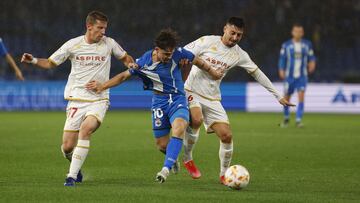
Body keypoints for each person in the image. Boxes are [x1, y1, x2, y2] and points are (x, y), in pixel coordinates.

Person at [86, 28, 224, 183]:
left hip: (178, 98)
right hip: (159, 102)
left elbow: (197, 60)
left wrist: (212, 71)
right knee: (162, 145)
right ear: (157, 50)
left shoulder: (179, 53)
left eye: (170, 54)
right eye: (165, 54)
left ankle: (165, 170)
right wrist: (102, 86)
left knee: (179, 128)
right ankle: (172, 159)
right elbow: (123, 76)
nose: (168, 57)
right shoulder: (144, 62)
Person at [21, 11, 135, 186]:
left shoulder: (110, 43)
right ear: (89, 27)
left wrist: (130, 64)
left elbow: (126, 58)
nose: (103, 32)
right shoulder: (73, 45)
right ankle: (76, 165)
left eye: (105, 28)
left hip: (99, 99)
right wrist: (34, 60)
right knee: (67, 147)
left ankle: (71, 177)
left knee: (86, 129)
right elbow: (51, 63)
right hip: (76, 100)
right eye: (100, 28)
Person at [181, 17, 294, 184]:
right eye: (232, 33)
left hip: (212, 97)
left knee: (226, 136)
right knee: (196, 119)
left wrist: (277, 95)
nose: (235, 37)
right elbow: (182, 52)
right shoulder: (207, 41)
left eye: (239, 35)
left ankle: (224, 175)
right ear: (225, 28)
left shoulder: (239, 54)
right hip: (191, 90)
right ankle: (188, 158)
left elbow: (257, 73)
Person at [279, 23, 316, 128]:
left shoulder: (307, 44)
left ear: (303, 33)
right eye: (296, 31)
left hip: (302, 77)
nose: (298, 33)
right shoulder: (286, 45)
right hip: (289, 77)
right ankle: (286, 118)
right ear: (292, 32)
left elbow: (312, 57)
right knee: (286, 98)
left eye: (300, 31)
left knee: (301, 97)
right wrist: (281, 69)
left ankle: (298, 120)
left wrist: (312, 64)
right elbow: (282, 59)